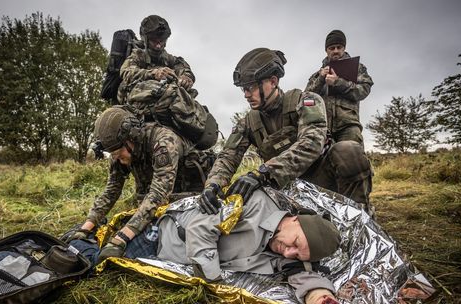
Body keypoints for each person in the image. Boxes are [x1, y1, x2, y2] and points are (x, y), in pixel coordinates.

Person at [198, 48, 373, 216]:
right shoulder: (248, 123)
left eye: (250, 87)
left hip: (323, 181)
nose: (246, 95)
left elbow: (312, 143)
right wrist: (212, 185)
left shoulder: (306, 100)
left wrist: (264, 173)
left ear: (273, 82)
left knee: (348, 150)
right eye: (243, 89)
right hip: (284, 190)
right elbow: (228, 157)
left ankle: (359, 217)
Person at [64, 106, 214, 261]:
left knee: (143, 247)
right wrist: (86, 227)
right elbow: (112, 190)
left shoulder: (164, 142)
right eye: (112, 154)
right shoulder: (119, 149)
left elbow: (159, 194)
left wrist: (121, 238)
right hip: (155, 206)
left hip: (187, 203)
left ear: (131, 138)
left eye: (117, 153)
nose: (115, 158)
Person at [157, 189, 342, 304]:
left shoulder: (286, 251)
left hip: (169, 261)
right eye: (294, 243)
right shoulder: (253, 204)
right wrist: (215, 286)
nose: (287, 252)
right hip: (162, 237)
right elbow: (199, 230)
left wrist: (319, 297)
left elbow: (302, 273)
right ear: (295, 220)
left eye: (297, 255)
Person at [305, 30, 374, 145]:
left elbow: (364, 90)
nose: (336, 51)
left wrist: (338, 82)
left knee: (352, 156)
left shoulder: (358, 68)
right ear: (326, 50)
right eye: (332, 48)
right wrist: (320, 80)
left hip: (348, 126)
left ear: (344, 48)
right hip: (322, 127)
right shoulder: (317, 75)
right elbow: (306, 100)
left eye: (339, 47)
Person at [117, 15, 195, 104]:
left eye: (161, 41)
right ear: (146, 40)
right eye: (154, 41)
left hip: (162, 99)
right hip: (134, 97)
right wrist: (153, 73)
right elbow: (126, 72)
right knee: (166, 91)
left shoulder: (170, 59)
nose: (158, 46)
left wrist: (185, 78)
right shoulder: (138, 55)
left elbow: (183, 68)